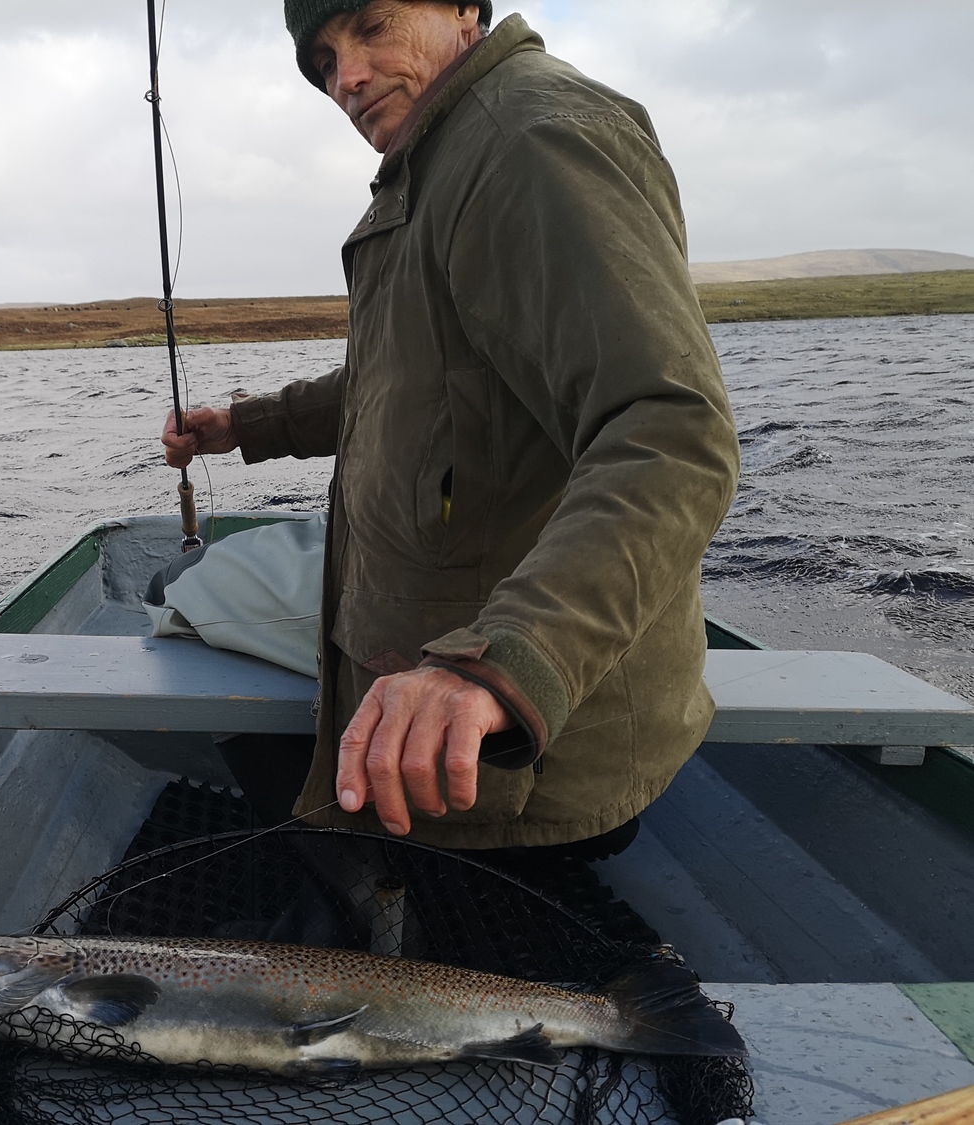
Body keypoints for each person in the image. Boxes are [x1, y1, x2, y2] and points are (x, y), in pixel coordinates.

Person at [161, 0, 739, 859]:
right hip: (437, 694)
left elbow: (670, 431)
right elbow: (411, 377)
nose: (345, 77)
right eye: (321, 61)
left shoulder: (528, 142)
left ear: (465, 8)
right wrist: (247, 426)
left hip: (510, 738)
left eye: (372, 26)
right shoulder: (444, 156)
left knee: (504, 955)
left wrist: (499, 665)